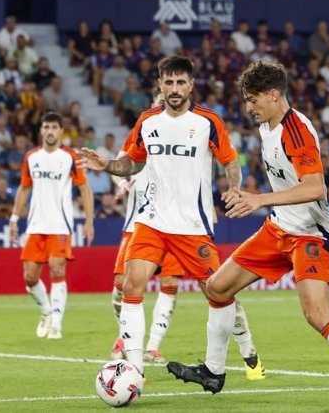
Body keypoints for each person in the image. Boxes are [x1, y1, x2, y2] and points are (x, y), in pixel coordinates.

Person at [165, 60, 329, 406]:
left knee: (317, 315)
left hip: (309, 234)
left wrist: (260, 199)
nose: (248, 107)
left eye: (253, 99)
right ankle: (213, 372)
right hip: (279, 227)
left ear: (274, 95)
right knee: (217, 287)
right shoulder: (267, 127)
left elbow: (315, 187)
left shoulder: (297, 130)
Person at [78, 56, 250, 379]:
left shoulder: (208, 122)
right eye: (168, 82)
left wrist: (235, 188)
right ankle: (134, 368)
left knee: (218, 292)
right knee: (132, 283)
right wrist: (107, 166)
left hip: (192, 226)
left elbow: (230, 161)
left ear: (191, 84)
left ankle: (216, 368)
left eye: (180, 82)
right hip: (152, 221)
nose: (174, 89)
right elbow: (132, 163)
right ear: (160, 84)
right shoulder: (147, 121)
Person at [108, 94, 265, 380]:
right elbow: (124, 162)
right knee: (124, 287)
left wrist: (217, 196)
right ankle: (133, 351)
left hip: (188, 226)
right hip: (145, 223)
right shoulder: (146, 127)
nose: (164, 101)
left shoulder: (200, 125)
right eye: (160, 95)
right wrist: (120, 181)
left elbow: (223, 163)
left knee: (215, 290)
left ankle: (247, 349)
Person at [9, 112, 95, 340]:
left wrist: (88, 220)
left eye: (54, 127)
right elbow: (24, 189)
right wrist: (14, 218)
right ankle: (46, 311)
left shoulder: (70, 157)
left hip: (60, 225)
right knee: (29, 277)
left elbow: (84, 189)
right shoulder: (31, 157)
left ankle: (56, 323)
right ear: (41, 131)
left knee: (57, 269)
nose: (50, 131)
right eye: (46, 127)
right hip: (36, 225)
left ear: (60, 131)